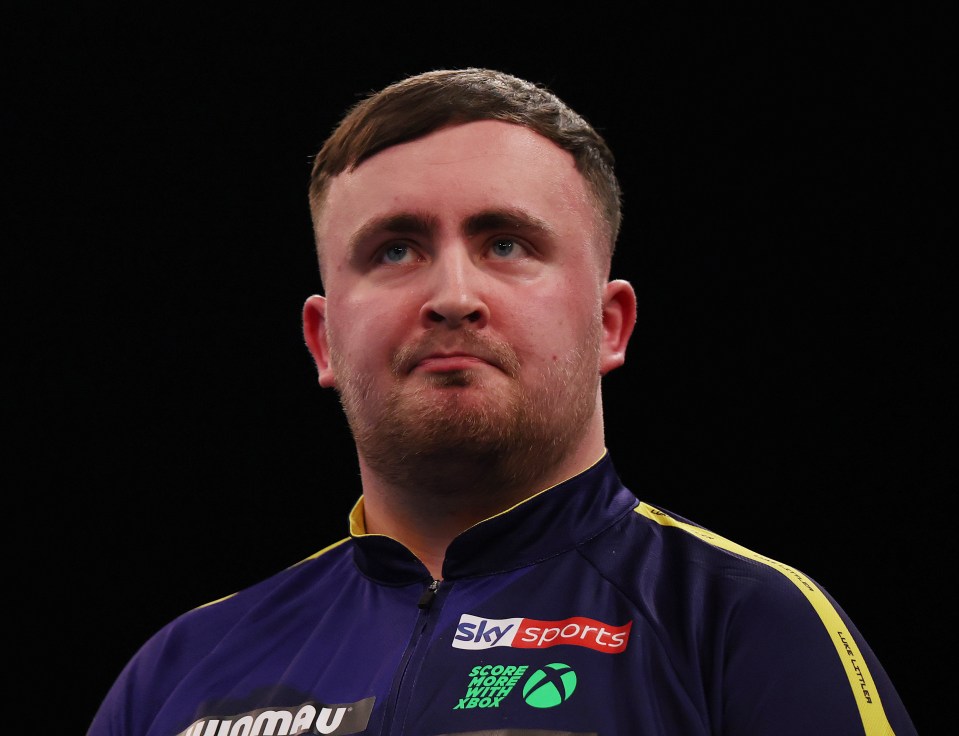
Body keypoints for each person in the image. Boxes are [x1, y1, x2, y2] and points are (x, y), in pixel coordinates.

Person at [87, 67, 916, 736]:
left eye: (506, 243)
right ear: (322, 340)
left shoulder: (746, 624)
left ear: (608, 324)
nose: (452, 294)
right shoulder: (178, 669)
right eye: (395, 249)